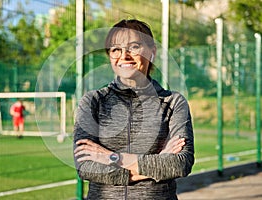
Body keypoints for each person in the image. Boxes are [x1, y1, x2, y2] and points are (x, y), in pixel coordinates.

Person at [73, 19, 194, 200]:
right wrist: (156, 163)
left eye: (134, 47)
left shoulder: (173, 102)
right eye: (115, 49)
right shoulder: (93, 101)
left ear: (152, 51)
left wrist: (112, 158)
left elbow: (180, 163)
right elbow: (85, 165)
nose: (124, 56)